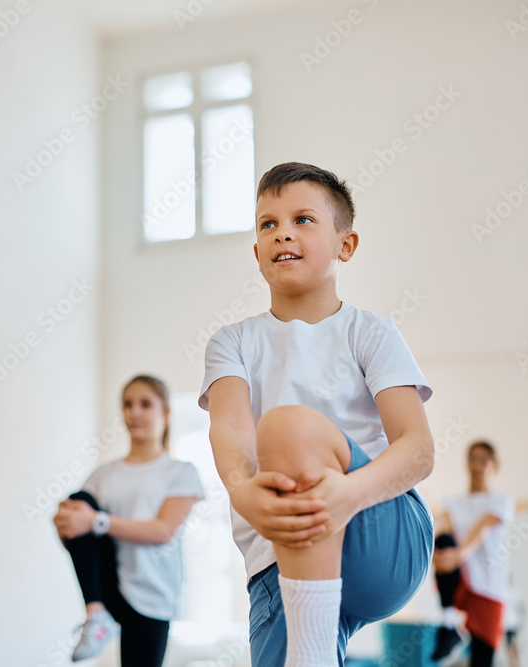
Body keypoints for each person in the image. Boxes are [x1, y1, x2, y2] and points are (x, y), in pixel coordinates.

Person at [199, 162, 435, 667]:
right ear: (257, 253)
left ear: (345, 245)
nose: (282, 232)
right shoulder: (232, 343)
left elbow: (417, 450)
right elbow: (230, 429)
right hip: (278, 554)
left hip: (378, 529)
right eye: (268, 224)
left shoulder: (371, 333)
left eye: (303, 219)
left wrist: (348, 495)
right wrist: (243, 493)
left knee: (288, 426)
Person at [55, 375, 204, 667]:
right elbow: (74, 529)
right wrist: (67, 522)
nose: (134, 412)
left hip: (152, 595)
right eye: (127, 404)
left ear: (166, 413)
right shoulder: (103, 475)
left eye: (145, 404)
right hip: (110, 585)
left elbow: (163, 531)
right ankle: (96, 614)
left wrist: (95, 521)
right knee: (78, 498)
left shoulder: (180, 472)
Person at [429, 441, 515, 666]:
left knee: (482, 660)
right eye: (473, 459)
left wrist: (459, 554)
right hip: (461, 582)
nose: (477, 465)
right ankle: (448, 625)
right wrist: (435, 557)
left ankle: (453, 630)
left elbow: (482, 529)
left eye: (483, 460)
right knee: (443, 541)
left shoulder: (501, 501)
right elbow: (443, 530)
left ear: (494, 466)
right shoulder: (453, 503)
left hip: (489, 589)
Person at [504, 578, 526, 667]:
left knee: (510, 646)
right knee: (512, 645)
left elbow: (522, 608)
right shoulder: (515, 593)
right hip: (511, 624)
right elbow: (523, 609)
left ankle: (514, 664)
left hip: (510, 624)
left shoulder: (506, 593)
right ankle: (514, 664)